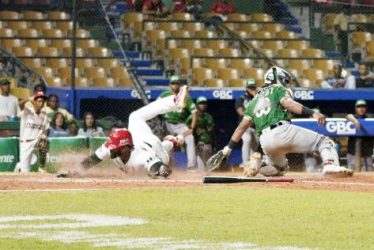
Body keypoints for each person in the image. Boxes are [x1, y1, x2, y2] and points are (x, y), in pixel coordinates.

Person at [209, 66, 353, 177]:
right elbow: (288, 104)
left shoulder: (254, 100)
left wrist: (227, 149)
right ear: (277, 78)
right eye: (284, 80)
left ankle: (258, 165)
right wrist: (312, 112)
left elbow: (241, 127)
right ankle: (330, 165)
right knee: (324, 142)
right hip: (282, 131)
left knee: (279, 169)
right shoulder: (278, 89)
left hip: (265, 141)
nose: (285, 84)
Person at [57, 85, 190, 178]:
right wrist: (74, 171)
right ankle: (174, 134)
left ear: (125, 148)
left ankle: (174, 136)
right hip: (139, 140)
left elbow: (162, 169)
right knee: (135, 116)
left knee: (164, 146)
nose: (112, 150)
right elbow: (93, 159)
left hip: (154, 150)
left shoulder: (141, 160)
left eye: (116, 148)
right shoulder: (114, 148)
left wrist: (160, 172)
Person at [159, 75, 198, 170]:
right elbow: (155, 107)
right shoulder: (164, 95)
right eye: (173, 83)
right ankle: (166, 165)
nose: (175, 85)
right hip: (167, 124)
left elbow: (194, 113)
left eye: (176, 83)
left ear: (179, 85)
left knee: (190, 138)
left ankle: (191, 165)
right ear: (170, 85)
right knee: (167, 144)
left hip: (180, 125)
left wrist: (191, 128)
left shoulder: (185, 97)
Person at [14, 92, 49, 173]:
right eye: (39, 101)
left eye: (43, 102)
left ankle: (41, 167)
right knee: (25, 171)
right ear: (35, 101)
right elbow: (20, 104)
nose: (41, 103)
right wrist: (28, 99)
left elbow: (47, 129)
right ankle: (19, 166)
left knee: (44, 141)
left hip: (36, 141)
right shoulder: (27, 111)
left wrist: (45, 136)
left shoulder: (44, 114)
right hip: (25, 143)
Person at [235, 79, 259, 167]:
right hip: (245, 126)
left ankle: (252, 163)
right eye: (250, 87)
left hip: (256, 126)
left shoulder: (258, 98)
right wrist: (254, 114)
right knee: (247, 139)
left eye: (253, 87)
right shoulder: (241, 99)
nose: (251, 89)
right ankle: (245, 162)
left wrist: (256, 96)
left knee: (255, 145)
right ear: (246, 88)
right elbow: (241, 112)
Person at [186, 96, 215, 170]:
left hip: (208, 145)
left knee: (206, 169)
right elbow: (185, 130)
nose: (203, 105)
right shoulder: (191, 118)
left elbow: (212, 132)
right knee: (201, 169)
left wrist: (214, 145)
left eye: (204, 103)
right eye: (201, 103)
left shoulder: (209, 117)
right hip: (197, 144)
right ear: (196, 105)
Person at [345, 100, 373, 171]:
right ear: (356, 109)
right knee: (353, 175)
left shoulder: (369, 118)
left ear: (366, 108)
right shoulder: (353, 117)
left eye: (363, 107)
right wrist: (355, 121)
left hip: (367, 155)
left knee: (368, 176)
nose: (361, 108)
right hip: (352, 154)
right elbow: (348, 116)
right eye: (359, 107)